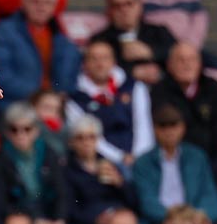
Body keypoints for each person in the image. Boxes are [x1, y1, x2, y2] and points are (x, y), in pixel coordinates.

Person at [0, 0, 80, 109]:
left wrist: (60, 94)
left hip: (55, 107)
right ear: (23, 3)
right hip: (16, 105)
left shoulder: (60, 36)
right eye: (35, 1)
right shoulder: (5, 31)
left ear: (54, 7)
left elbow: (72, 76)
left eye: (47, 2)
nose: (41, 7)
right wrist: (39, 97)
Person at [0, 102, 75, 224]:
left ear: (36, 130)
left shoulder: (49, 153)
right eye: (14, 129)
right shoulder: (1, 159)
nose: (21, 134)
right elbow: (2, 202)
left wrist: (59, 222)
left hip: (51, 218)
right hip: (20, 221)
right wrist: (36, 222)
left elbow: (62, 191)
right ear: (7, 133)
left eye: (27, 129)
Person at [132, 104, 217, 224]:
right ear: (155, 129)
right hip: (159, 222)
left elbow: (209, 194)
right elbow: (147, 201)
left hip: (193, 220)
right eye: (163, 126)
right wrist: (174, 218)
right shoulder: (143, 163)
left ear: (183, 127)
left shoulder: (197, 157)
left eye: (173, 125)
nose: (169, 131)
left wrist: (201, 215)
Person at [63, 40, 153, 168]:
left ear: (113, 61)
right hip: (102, 161)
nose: (100, 64)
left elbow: (143, 125)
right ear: (84, 64)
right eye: (94, 59)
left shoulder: (134, 87)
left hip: (140, 158)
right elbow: (90, 138)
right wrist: (120, 157)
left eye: (105, 58)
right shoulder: (76, 99)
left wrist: (138, 156)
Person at [150, 42, 217, 158]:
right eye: (180, 60)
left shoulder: (214, 88)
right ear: (169, 65)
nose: (186, 65)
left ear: (200, 64)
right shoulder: (159, 91)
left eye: (192, 60)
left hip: (212, 158)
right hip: (173, 158)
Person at [62, 114, 136, 224]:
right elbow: (71, 209)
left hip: (120, 218)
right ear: (72, 142)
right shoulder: (67, 170)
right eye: (80, 138)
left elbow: (133, 202)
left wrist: (120, 184)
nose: (86, 143)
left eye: (91, 137)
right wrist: (96, 220)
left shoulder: (110, 164)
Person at [91, 0, 176, 84]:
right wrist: (131, 71)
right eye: (117, 6)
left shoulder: (159, 31)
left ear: (139, 6)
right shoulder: (101, 39)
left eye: (129, 4)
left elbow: (180, 54)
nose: (124, 10)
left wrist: (151, 52)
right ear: (110, 11)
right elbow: (95, 67)